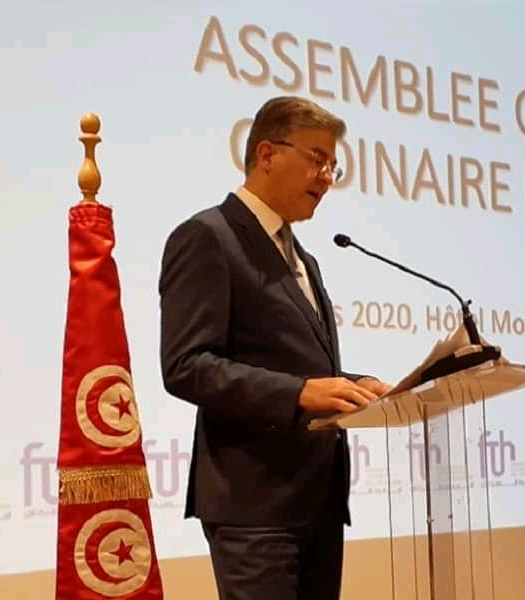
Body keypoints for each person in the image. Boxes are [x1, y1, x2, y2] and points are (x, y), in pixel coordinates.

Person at [158, 95, 393, 600]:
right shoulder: (208, 237)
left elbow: (291, 362)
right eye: (317, 159)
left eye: (333, 165)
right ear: (267, 154)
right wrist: (299, 394)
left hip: (318, 502)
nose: (327, 177)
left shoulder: (304, 257)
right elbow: (185, 365)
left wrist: (357, 386)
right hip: (254, 511)